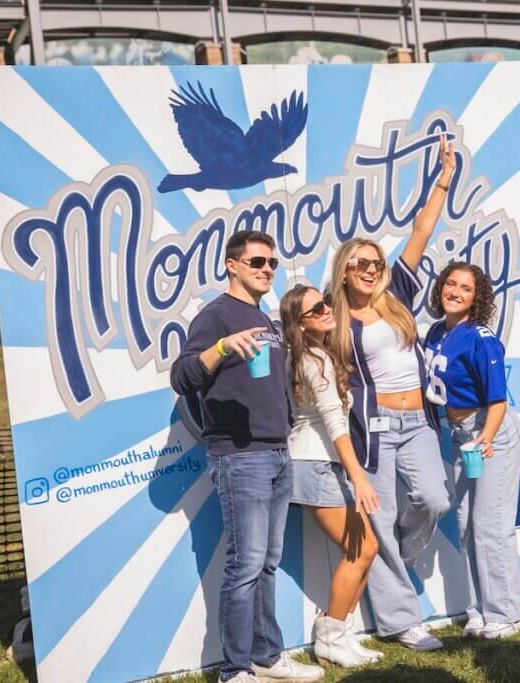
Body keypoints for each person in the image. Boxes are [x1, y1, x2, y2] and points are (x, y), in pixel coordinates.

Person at [170, 232, 323, 683]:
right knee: (246, 564)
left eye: (272, 262)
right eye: (257, 260)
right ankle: (234, 670)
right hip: (241, 457)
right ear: (231, 265)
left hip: (277, 454)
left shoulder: (268, 321)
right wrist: (219, 349)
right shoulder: (215, 315)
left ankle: (266, 657)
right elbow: (182, 376)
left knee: (267, 563)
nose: (266, 268)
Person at [326, 134, 455, 651]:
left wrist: (443, 178)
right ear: (345, 271)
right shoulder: (335, 319)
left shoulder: (396, 294)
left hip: (417, 420)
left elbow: (422, 230)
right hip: (373, 431)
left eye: (375, 263)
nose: (371, 270)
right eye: (360, 264)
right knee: (375, 520)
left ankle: (396, 557)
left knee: (433, 498)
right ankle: (403, 621)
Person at [279, 285, 383, 668]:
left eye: (324, 303)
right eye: (315, 309)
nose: (326, 310)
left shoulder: (317, 354)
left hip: (321, 463)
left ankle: (340, 634)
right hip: (313, 464)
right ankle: (330, 638)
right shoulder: (311, 359)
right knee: (360, 551)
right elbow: (334, 422)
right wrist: (359, 477)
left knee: (366, 549)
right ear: (299, 324)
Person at [423, 262, 520, 640]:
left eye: (465, 288)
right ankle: (480, 611)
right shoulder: (435, 332)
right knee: (467, 525)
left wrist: (486, 437)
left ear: (476, 297)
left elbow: (497, 399)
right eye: (450, 283)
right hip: (459, 436)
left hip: (490, 434)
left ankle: (506, 614)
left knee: (490, 525)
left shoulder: (481, 338)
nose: (455, 292)